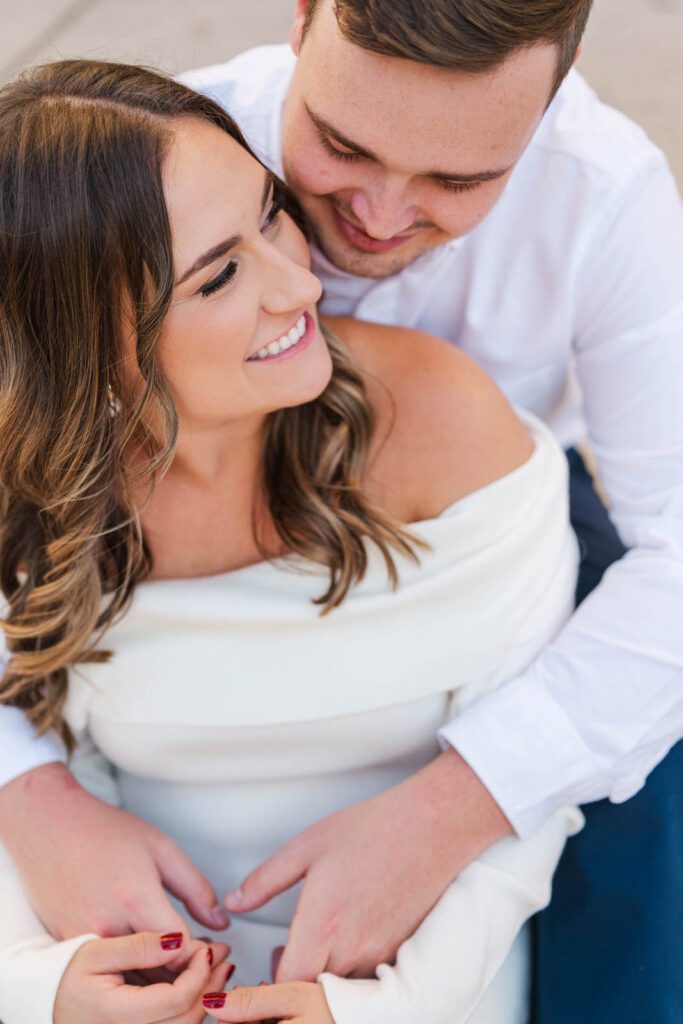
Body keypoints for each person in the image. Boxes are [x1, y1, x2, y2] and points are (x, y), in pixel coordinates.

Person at [1, 1, 683, 1021]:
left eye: (459, 182)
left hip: (487, 519)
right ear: (304, 18)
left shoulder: (602, 196)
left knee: (644, 831)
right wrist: (31, 795)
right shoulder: (158, 157)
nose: (367, 220)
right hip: (124, 513)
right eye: (336, 149)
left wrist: (465, 802)